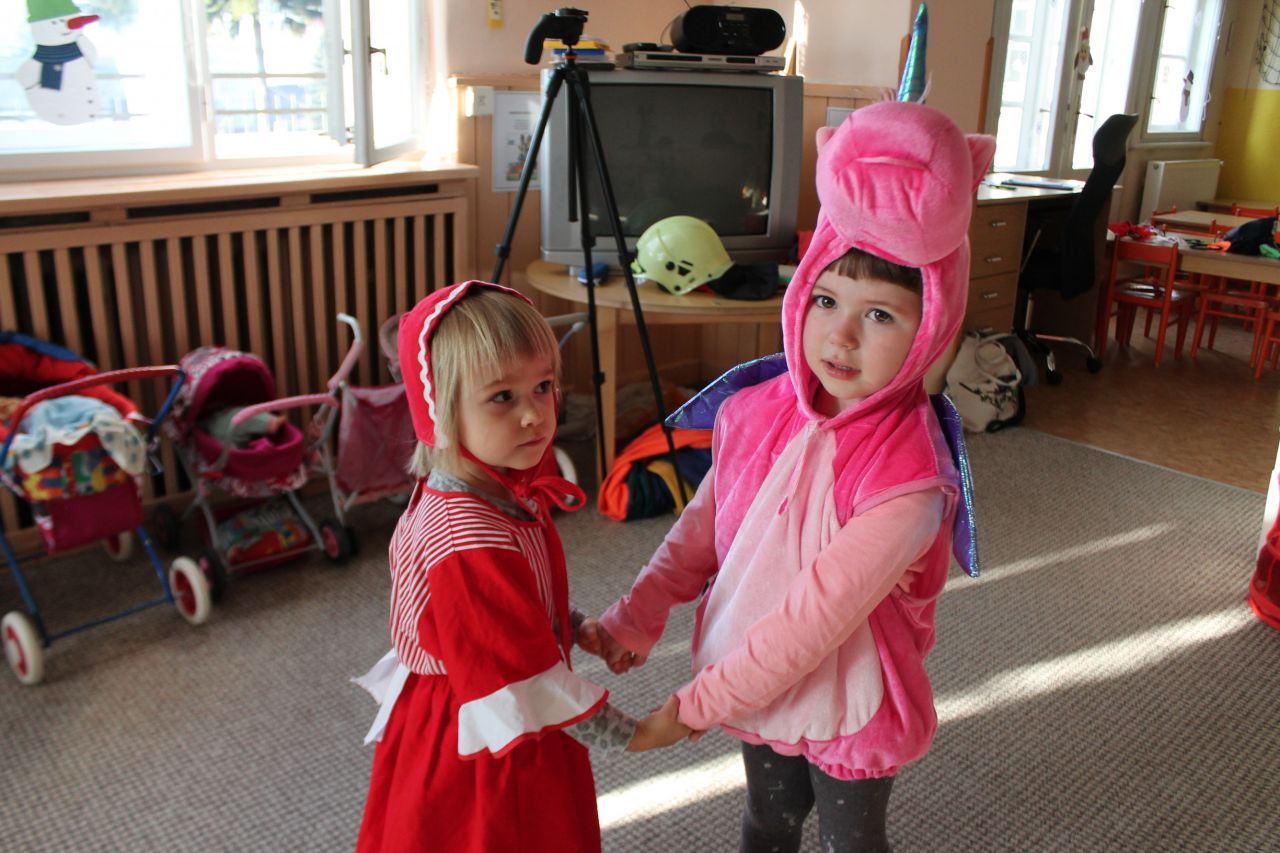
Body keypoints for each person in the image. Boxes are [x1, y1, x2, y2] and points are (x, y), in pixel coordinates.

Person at [579, 102, 996, 852]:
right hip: (755, 677)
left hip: (851, 696)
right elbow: (704, 529)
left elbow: (813, 619)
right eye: (827, 300)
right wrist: (636, 613)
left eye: (880, 316)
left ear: (931, 324)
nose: (840, 335)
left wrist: (692, 708)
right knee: (770, 819)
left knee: (849, 841)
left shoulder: (909, 483)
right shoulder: (756, 410)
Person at [353, 281, 693, 853]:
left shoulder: (486, 489)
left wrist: (574, 625)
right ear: (440, 411)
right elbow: (522, 678)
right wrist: (635, 735)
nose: (536, 414)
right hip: (484, 732)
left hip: (497, 691)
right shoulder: (466, 541)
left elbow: (513, 604)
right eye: (502, 397)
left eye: (543, 386)